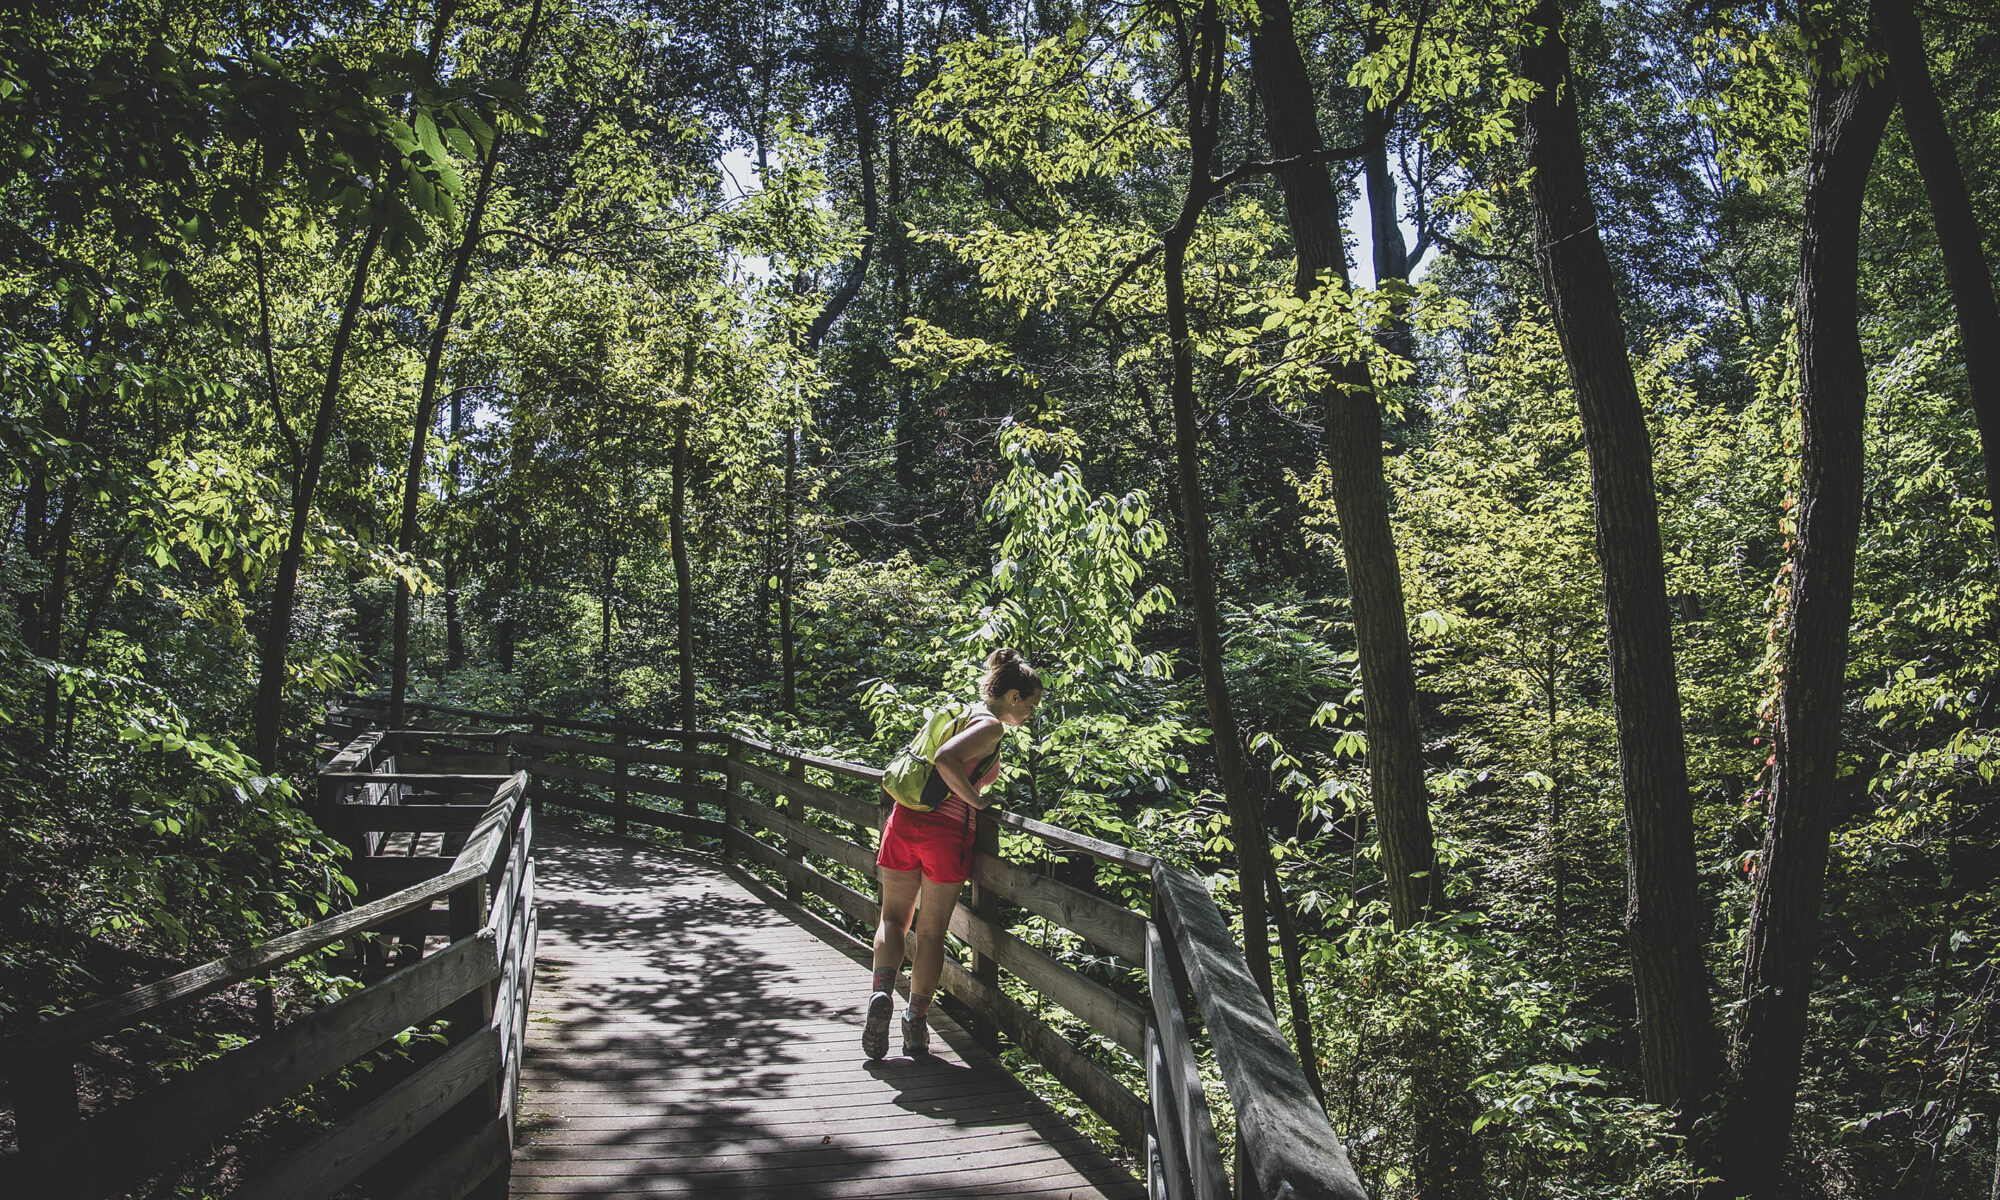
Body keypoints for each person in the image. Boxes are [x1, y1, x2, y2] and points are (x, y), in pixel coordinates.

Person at [864, 647, 1044, 1059]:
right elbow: (946, 761)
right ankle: (914, 1021)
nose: (1031, 713)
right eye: (1030, 705)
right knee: (930, 932)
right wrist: (977, 802)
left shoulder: (959, 711)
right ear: (1012, 696)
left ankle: (881, 994)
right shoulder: (991, 727)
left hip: (903, 821)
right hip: (944, 834)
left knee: (892, 918)